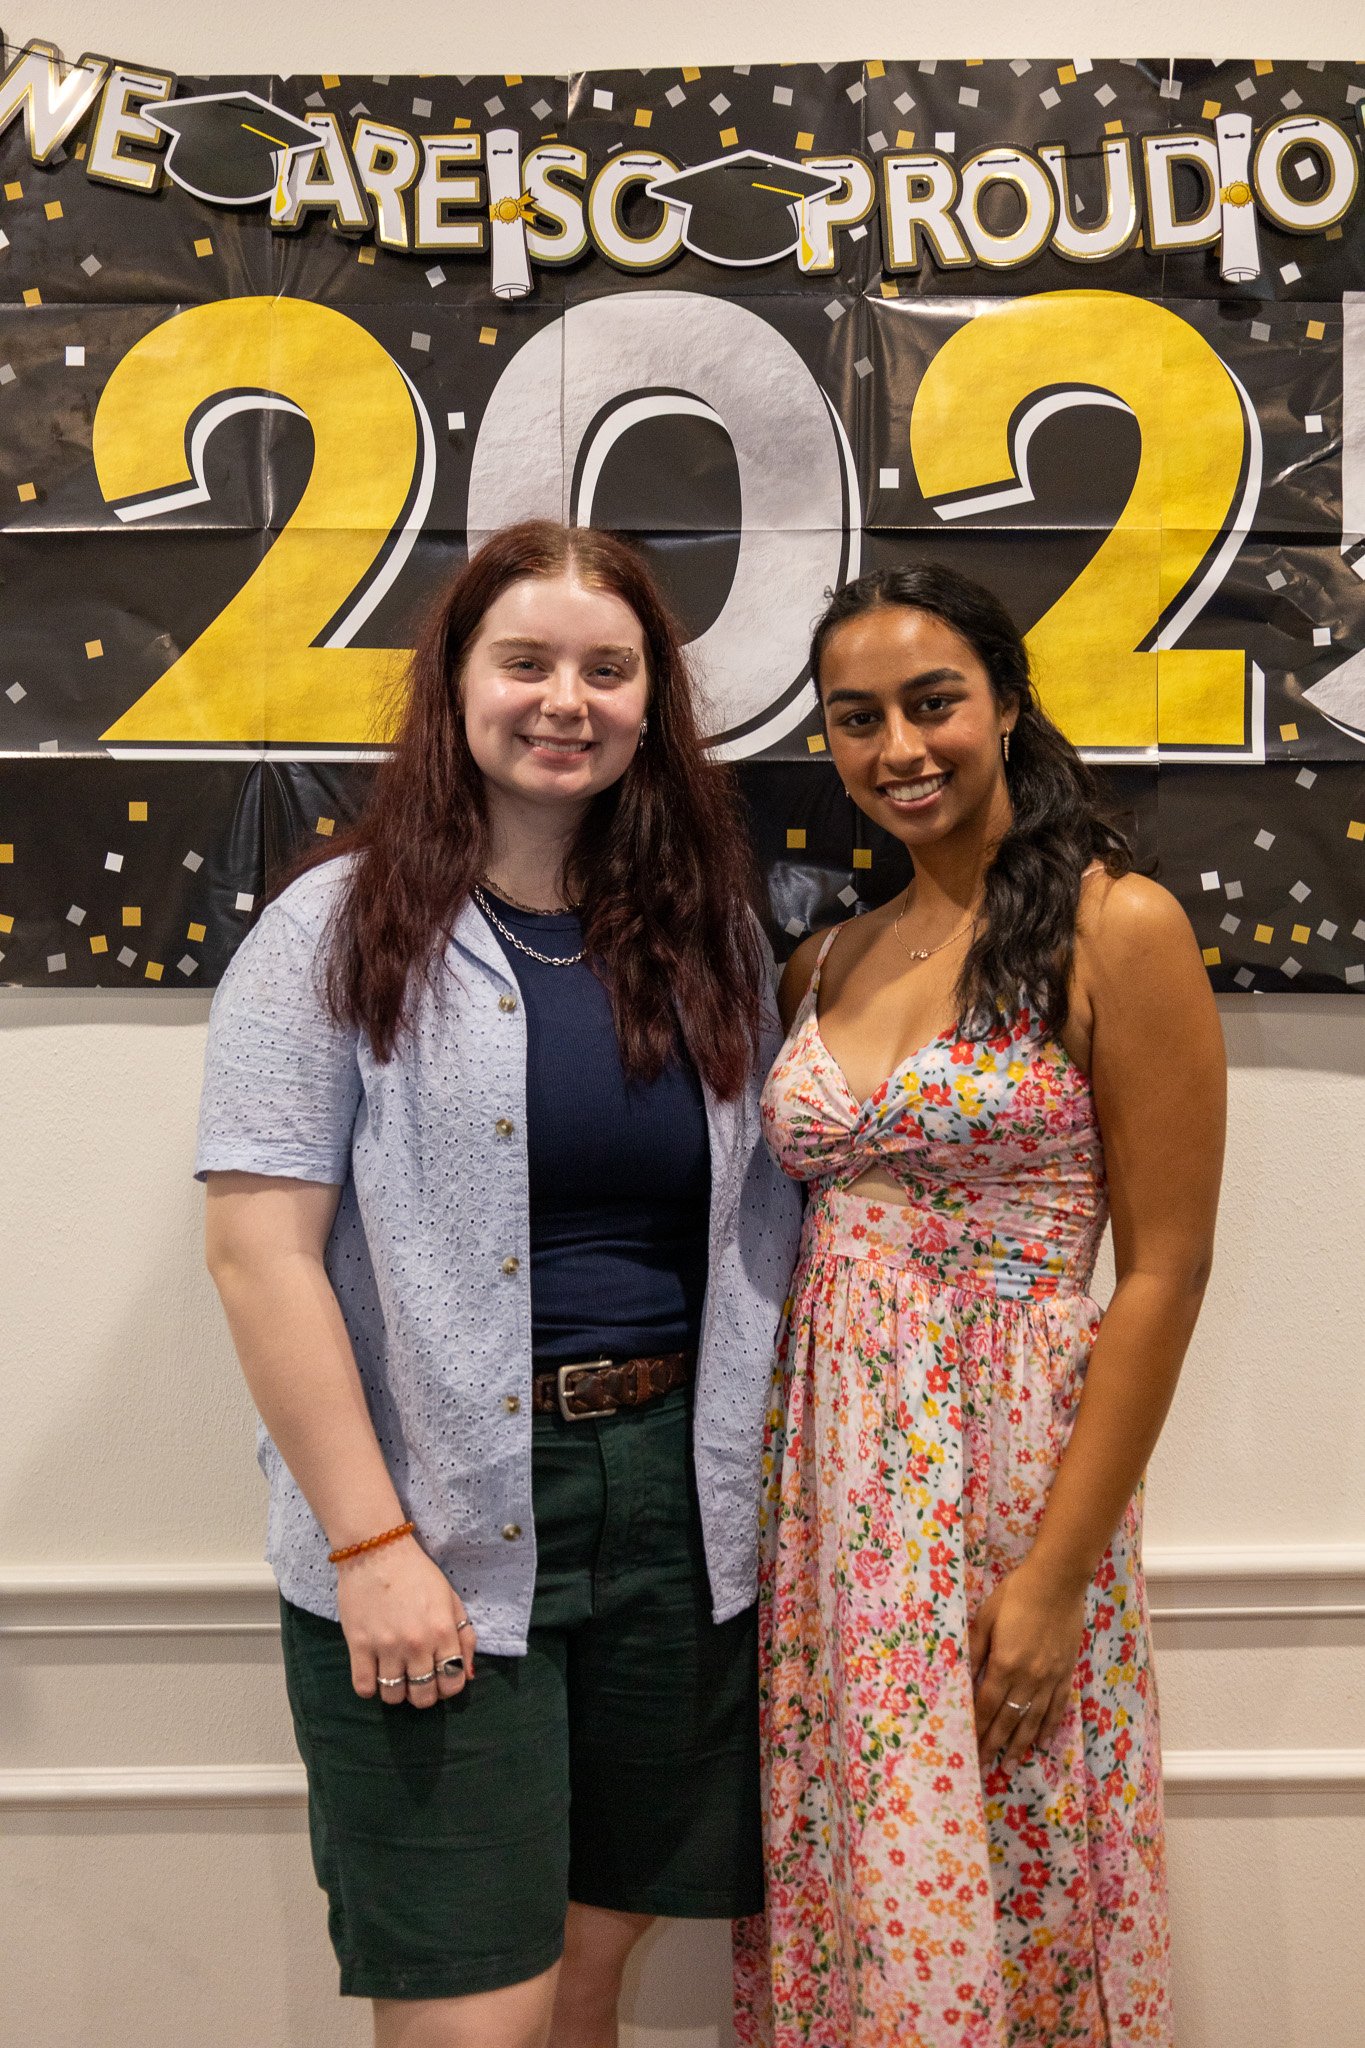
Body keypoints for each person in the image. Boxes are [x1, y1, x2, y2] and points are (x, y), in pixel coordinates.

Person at [196, 520, 801, 2048]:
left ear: (651, 704)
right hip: (442, 1508)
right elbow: (259, 1254)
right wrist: (372, 1542)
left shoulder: (711, 939)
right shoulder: (326, 934)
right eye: (523, 661)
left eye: (609, 671)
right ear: (453, 683)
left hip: (677, 1507)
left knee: (593, 1966)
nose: (565, 701)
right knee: (476, 2007)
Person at [734, 564, 1226, 2048]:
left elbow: (1162, 1272)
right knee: (861, 1856)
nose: (899, 748)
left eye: (932, 702)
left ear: (1005, 703)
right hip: (829, 1491)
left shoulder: (1113, 925)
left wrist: (1057, 1571)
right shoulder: (823, 957)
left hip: (1011, 1479)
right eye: (855, 717)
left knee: (1019, 1854)